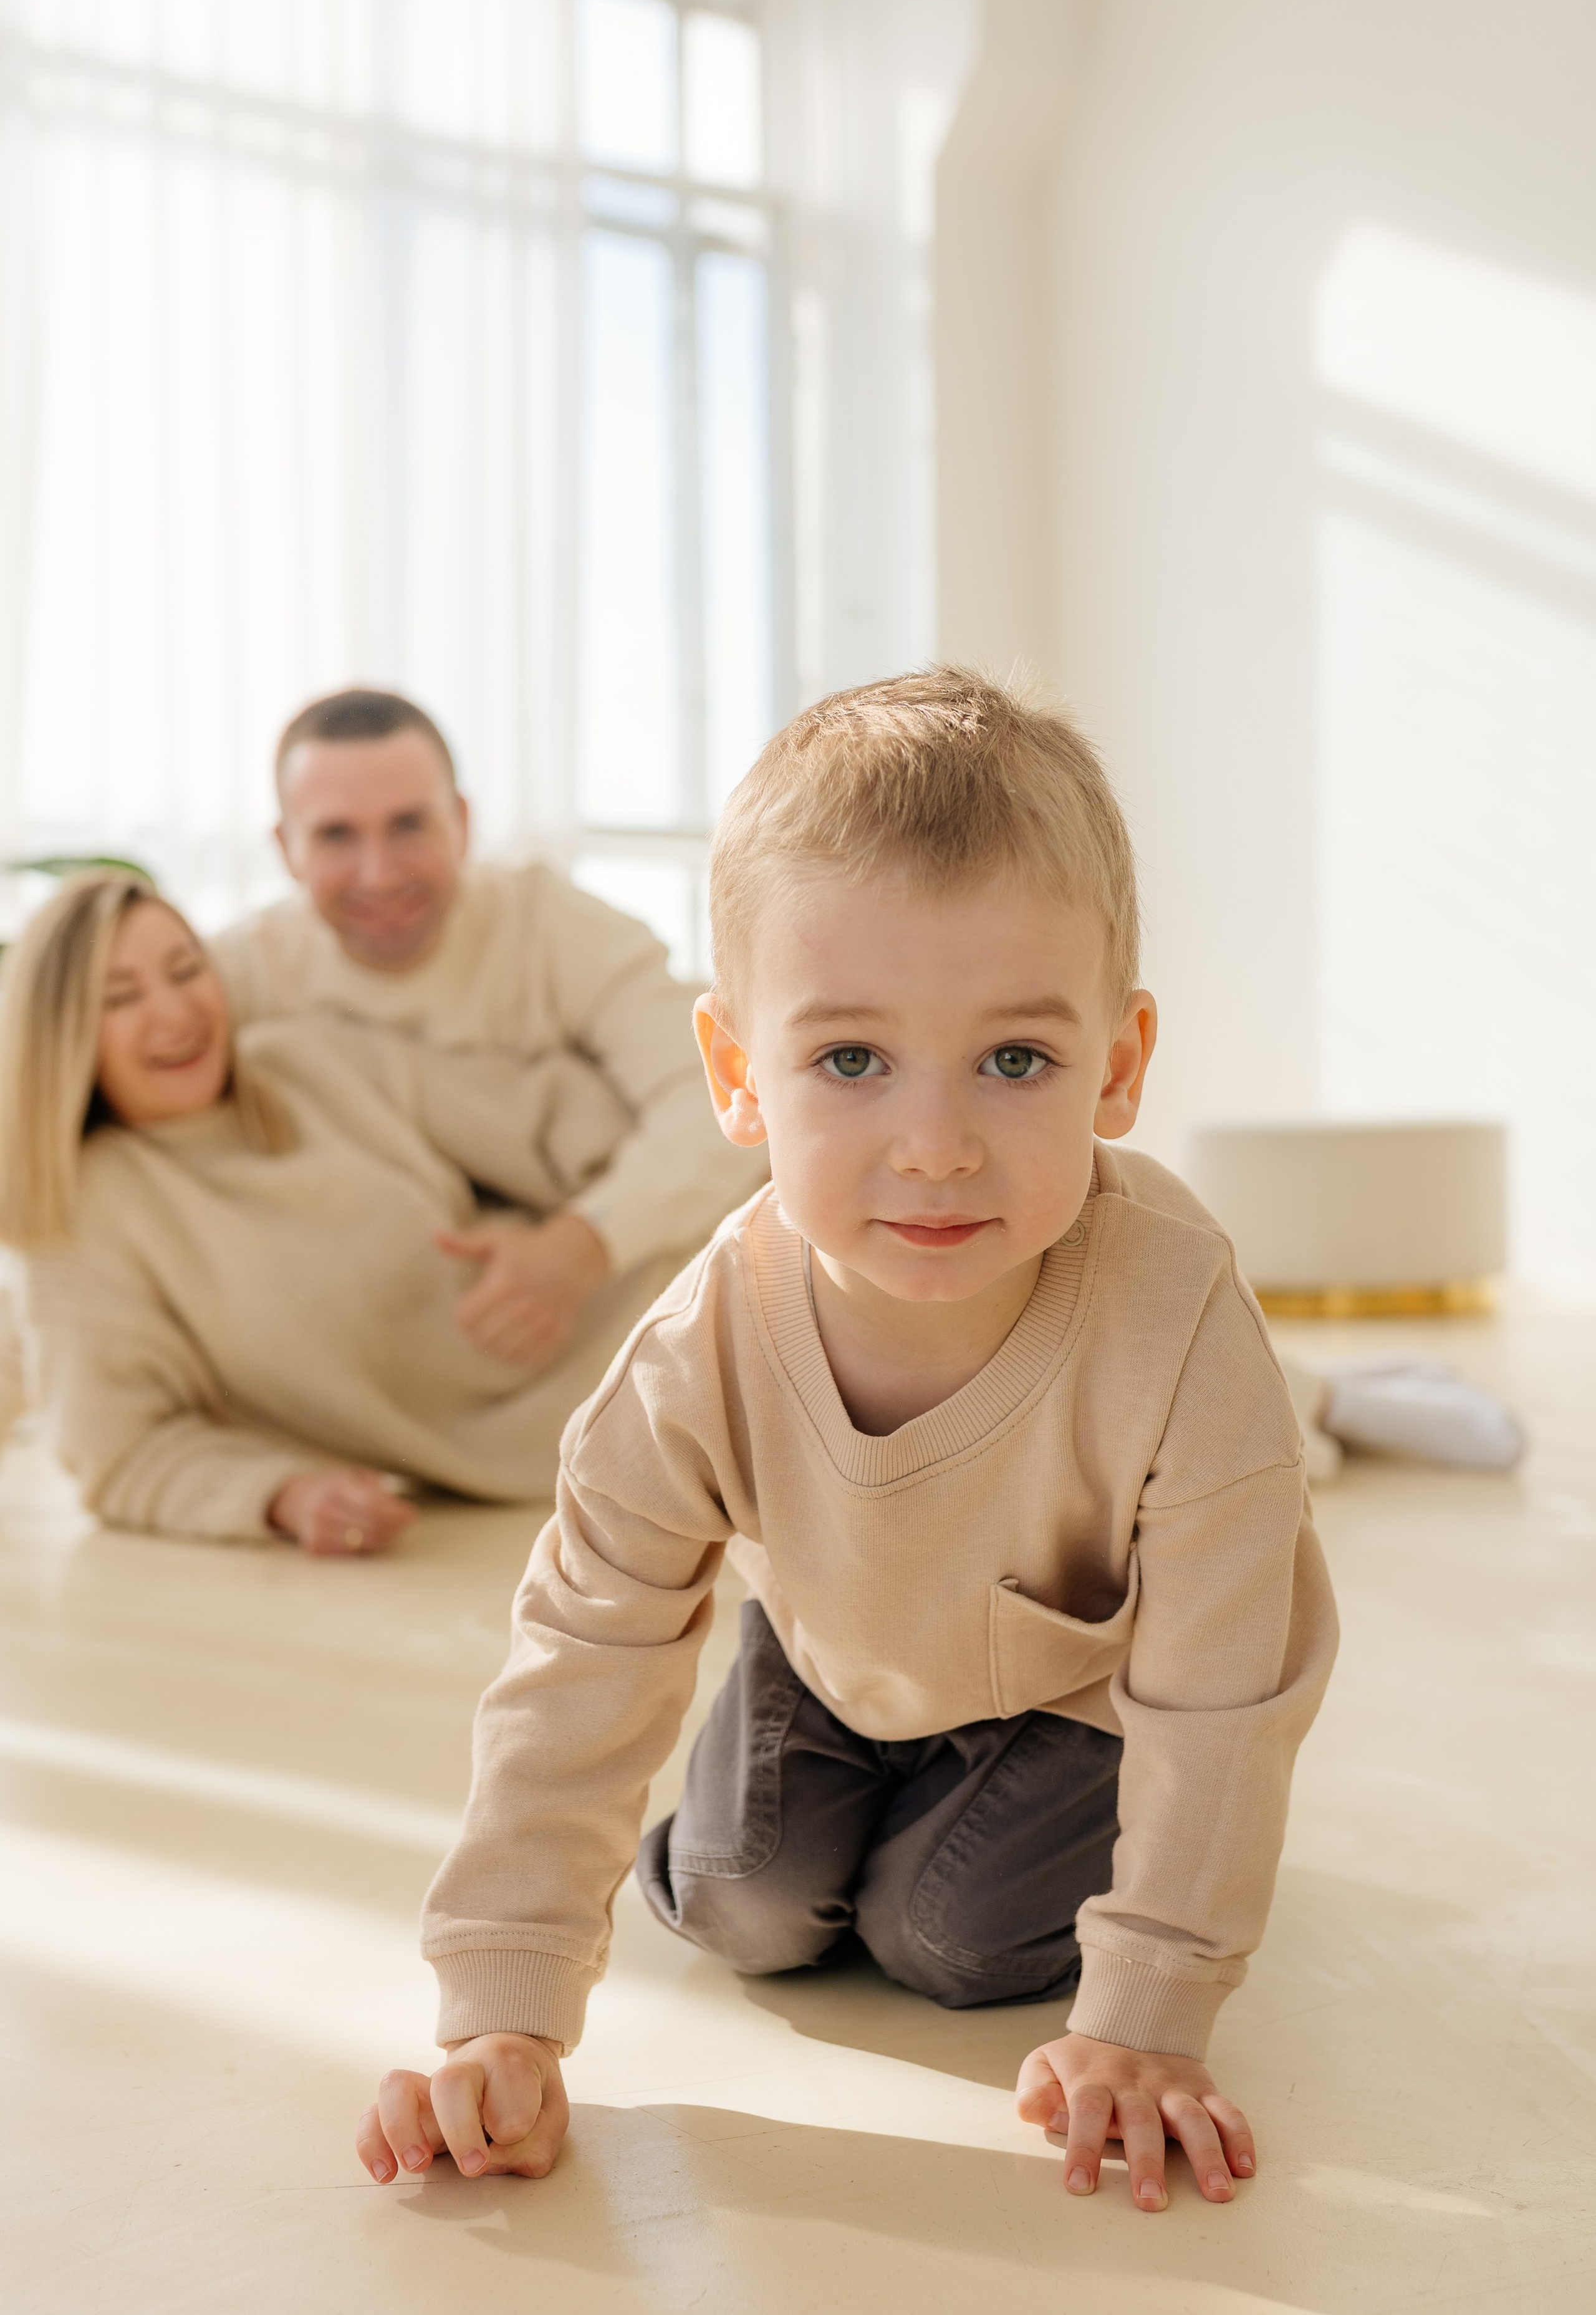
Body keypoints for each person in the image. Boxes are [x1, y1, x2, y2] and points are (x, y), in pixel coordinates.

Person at [356, 670, 1338, 2213]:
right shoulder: (699, 1346)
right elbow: (581, 1654)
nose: (934, 1144)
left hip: (1077, 1696)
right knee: (747, 1907)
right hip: (836, 1657)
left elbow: (1223, 1683)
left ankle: (983, 1829)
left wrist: (1150, 2004)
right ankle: (823, 1777)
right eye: (849, 1061)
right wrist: (502, 2009)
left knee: (937, 1936)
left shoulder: (1175, 1309)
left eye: (1014, 1060)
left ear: (1120, 1064)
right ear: (738, 1074)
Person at [0, 873, 699, 1552]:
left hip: (683, 1293)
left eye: (187, 970)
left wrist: (580, 1239)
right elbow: (119, 1453)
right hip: (615, 1444)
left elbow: (553, 1118)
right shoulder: (89, 1212)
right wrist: (286, 1497)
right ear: (66, 1037)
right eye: (120, 997)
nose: (174, 1012)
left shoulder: (303, 1061)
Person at [211, 688, 754, 1374]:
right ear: (286, 848)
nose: (379, 873)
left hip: (589, 1312)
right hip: (363, 1336)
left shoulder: (553, 928)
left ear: (462, 823)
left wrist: (583, 1244)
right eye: (336, 836)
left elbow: (725, 1101)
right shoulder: (234, 978)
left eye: (409, 825)